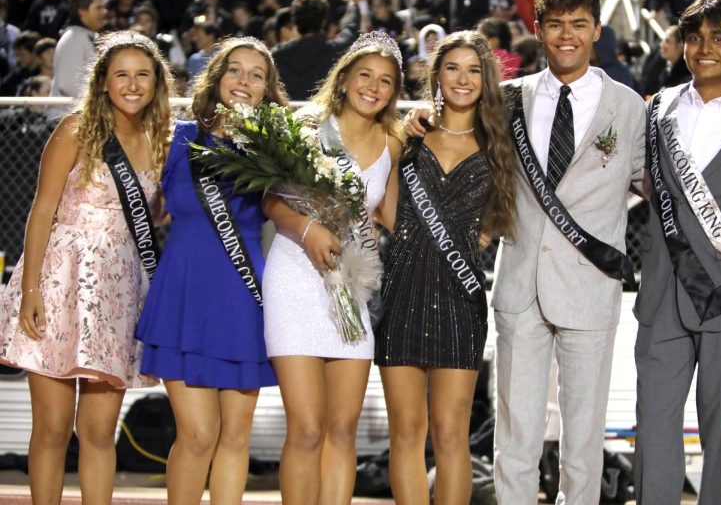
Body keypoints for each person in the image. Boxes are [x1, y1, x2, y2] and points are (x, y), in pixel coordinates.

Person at [409, 0, 646, 503]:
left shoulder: (629, 107)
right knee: (515, 434)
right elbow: (455, 133)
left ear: (597, 30)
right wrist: (418, 119)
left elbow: (657, 187)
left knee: (583, 436)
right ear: (538, 29)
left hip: (590, 285)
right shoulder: (508, 98)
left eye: (579, 25)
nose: (567, 36)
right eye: (556, 24)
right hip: (518, 286)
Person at [0, 30, 173, 505]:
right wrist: (31, 290)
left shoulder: (162, 138)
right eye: (122, 75)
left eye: (143, 75)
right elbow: (41, 211)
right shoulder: (76, 128)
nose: (133, 85)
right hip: (60, 279)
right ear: (103, 82)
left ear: (157, 82)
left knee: (97, 431)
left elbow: (154, 214)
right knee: (53, 428)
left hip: (118, 288)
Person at [135, 36, 287, 504]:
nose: (244, 81)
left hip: (241, 297)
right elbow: (150, 209)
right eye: (234, 70)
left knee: (234, 438)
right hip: (183, 295)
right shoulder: (177, 138)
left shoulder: (276, 147)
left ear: (267, 88)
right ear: (217, 78)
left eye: (256, 74)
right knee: (198, 434)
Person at [376, 31, 517, 504]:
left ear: (486, 79)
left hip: (460, 298)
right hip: (401, 291)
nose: (463, 78)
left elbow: (503, 214)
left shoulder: (497, 143)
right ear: (436, 75)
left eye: (474, 69)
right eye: (452, 68)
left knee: (452, 433)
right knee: (407, 433)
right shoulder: (408, 136)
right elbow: (385, 209)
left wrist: (476, 236)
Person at [263, 31, 403, 505]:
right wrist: (309, 231)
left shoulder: (393, 142)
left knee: (342, 430)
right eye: (365, 75)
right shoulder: (306, 125)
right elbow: (271, 200)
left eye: (385, 81)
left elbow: (389, 216)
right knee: (306, 428)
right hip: (297, 276)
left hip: (350, 287)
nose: (374, 87)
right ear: (343, 79)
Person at [634, 0, 721, 505]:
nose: (705, 48)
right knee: (655, 427)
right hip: (663, 290)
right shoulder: (655, 108)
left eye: (719, 39)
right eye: (695, 37)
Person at [273, 0, 367, 101]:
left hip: (287, 118)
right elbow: (350, 28)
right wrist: (353, 3)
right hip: (322, 119)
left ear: (295, 21)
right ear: (324, 21)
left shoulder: (276, 55)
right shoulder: (335, 50)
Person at [49, 0, 107, 120]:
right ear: (82, 11)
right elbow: (68, 84)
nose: (104, 12)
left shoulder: (89, 36)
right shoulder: (73, 38)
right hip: (63, 120)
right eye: (98, 8)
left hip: (82, 118)